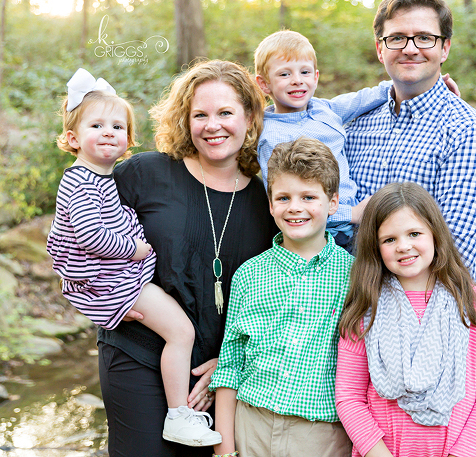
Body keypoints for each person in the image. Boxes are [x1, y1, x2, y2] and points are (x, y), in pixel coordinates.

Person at [97, 60, 279, 457]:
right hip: (138, 354)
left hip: (219, 373)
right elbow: (78, 237)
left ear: (249, 117)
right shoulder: (145, 173)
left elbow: (275, 300)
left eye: (226, 113)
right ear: (186, 120)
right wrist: (102, 297)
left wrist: (228, 365)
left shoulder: (269, 201)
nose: (213, 125)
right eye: (200, 115)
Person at [46, 68, 220, 447]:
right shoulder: (80, 182)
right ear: (73, 138)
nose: (109, 132)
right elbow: (90, 237)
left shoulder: (101, 177)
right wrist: (136, 249)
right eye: (96, 125)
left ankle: (179, 412)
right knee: (181, 331)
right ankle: (179, 414)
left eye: (117, 126)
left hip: (120, 281)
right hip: (120, 284)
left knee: (178, 330)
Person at [335, 182, 476, 457]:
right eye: (389, 239)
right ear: (375, 247)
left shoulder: (472, 304)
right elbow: (349, 397)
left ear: (435, 234)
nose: (404, 246)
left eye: (414, 233)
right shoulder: (366, 307)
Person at [344, 0, 476, 286]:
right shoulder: (354, 126)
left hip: (428, 314)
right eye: (397, 38)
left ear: (444, 48)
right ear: (381, 49)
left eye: (425, 38)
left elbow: (457, 251)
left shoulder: (467, 131)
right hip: (342, 312)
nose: (410, 48)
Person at [210, 137, 354, 457]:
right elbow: (230, 364)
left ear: (332, 203)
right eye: (284, 197)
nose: (295, 208)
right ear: (271, 204)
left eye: (309, 197)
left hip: (321, 434)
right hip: (250, 424)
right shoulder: (249, 274)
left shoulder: (356, 276)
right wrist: (224, 450)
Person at [254, 30, 388, 249]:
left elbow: (363, 98)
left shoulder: (324, 108)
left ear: (316, 77)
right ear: (264, 84)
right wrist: (352, 214)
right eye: (284, 74)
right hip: (317, 233)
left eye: (304, 72)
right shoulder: (272, 135)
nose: (297, 80)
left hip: (354, 230)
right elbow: (283, 198)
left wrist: (429, 85)